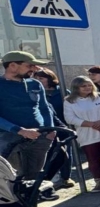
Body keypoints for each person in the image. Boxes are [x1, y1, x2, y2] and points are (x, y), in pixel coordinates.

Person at [0, 50, 58, 180]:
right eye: (29, 65)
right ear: (13, 66)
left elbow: (44, 108)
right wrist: (20, 130)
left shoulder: (35, 84)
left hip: (39, 137)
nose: (35, 69)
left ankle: (33, 198)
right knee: (13, 178)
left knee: (34, 177)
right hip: (8, 138)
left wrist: (50, 129)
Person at [63, 76, 100, 192]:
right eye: (84, 86)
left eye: (89, 85)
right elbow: (70, 118)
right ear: (76, 87)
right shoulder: (69, 101)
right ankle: (98, 181)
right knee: (93, 159)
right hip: (87, 134)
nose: (88, 88)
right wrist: (92, 124)